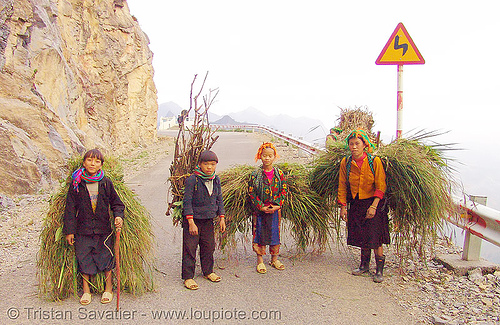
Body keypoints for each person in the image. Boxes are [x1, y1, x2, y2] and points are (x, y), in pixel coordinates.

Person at [64, 149, 124, 305]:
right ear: (83, 162)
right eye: (89, 160)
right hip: (83, 228)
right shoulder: (77, 183)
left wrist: (118, 216)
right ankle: (86, 291)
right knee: (83, 257)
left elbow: (117, 203)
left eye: (97, 161)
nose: (93, 163)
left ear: (101, 165)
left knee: (106, 256)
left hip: (103, 228)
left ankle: (108, 288)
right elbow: (70, 208)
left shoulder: (106, 182)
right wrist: (69, 231)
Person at [338, 130, 389, 283]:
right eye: (351, 144)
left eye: (357, 144)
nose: (354, 147)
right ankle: (364, 266)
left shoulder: (375, 161)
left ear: (365, 145)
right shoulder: (346, 162)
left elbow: (381, 186)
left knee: (376, 236)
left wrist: (373, 206)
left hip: (374, 202)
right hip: (357, 202)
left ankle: (379, 270)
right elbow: (342, 185)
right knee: (362, 234)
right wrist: (343, 206)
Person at [182, 150, 226, 290]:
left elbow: (219, 199)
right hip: (193, 221)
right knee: (190, 248)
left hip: (208, 219)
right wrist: (190, 222)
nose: (209, 167)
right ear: (200, 164)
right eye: (206, 164)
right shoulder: (192, 180)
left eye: (212, 164)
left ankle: (208, 271)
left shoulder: (216, 179)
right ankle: (188, 277)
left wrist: (222, 217)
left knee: (209, 247)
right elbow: (187, 202)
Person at [248, 142, 287, 274]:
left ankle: (274, 259)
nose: (267, 158)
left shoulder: (279, 174)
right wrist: (261, 207)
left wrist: (276, 205)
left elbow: (283, 191)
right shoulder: (255, 175)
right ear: (260, 156)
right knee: (259, 233)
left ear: (274, 157)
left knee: (275, 233)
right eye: (264, 155)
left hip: (275, 210)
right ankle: (260, 261)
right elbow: (252, 193)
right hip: (260, 211)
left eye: (270, 156)